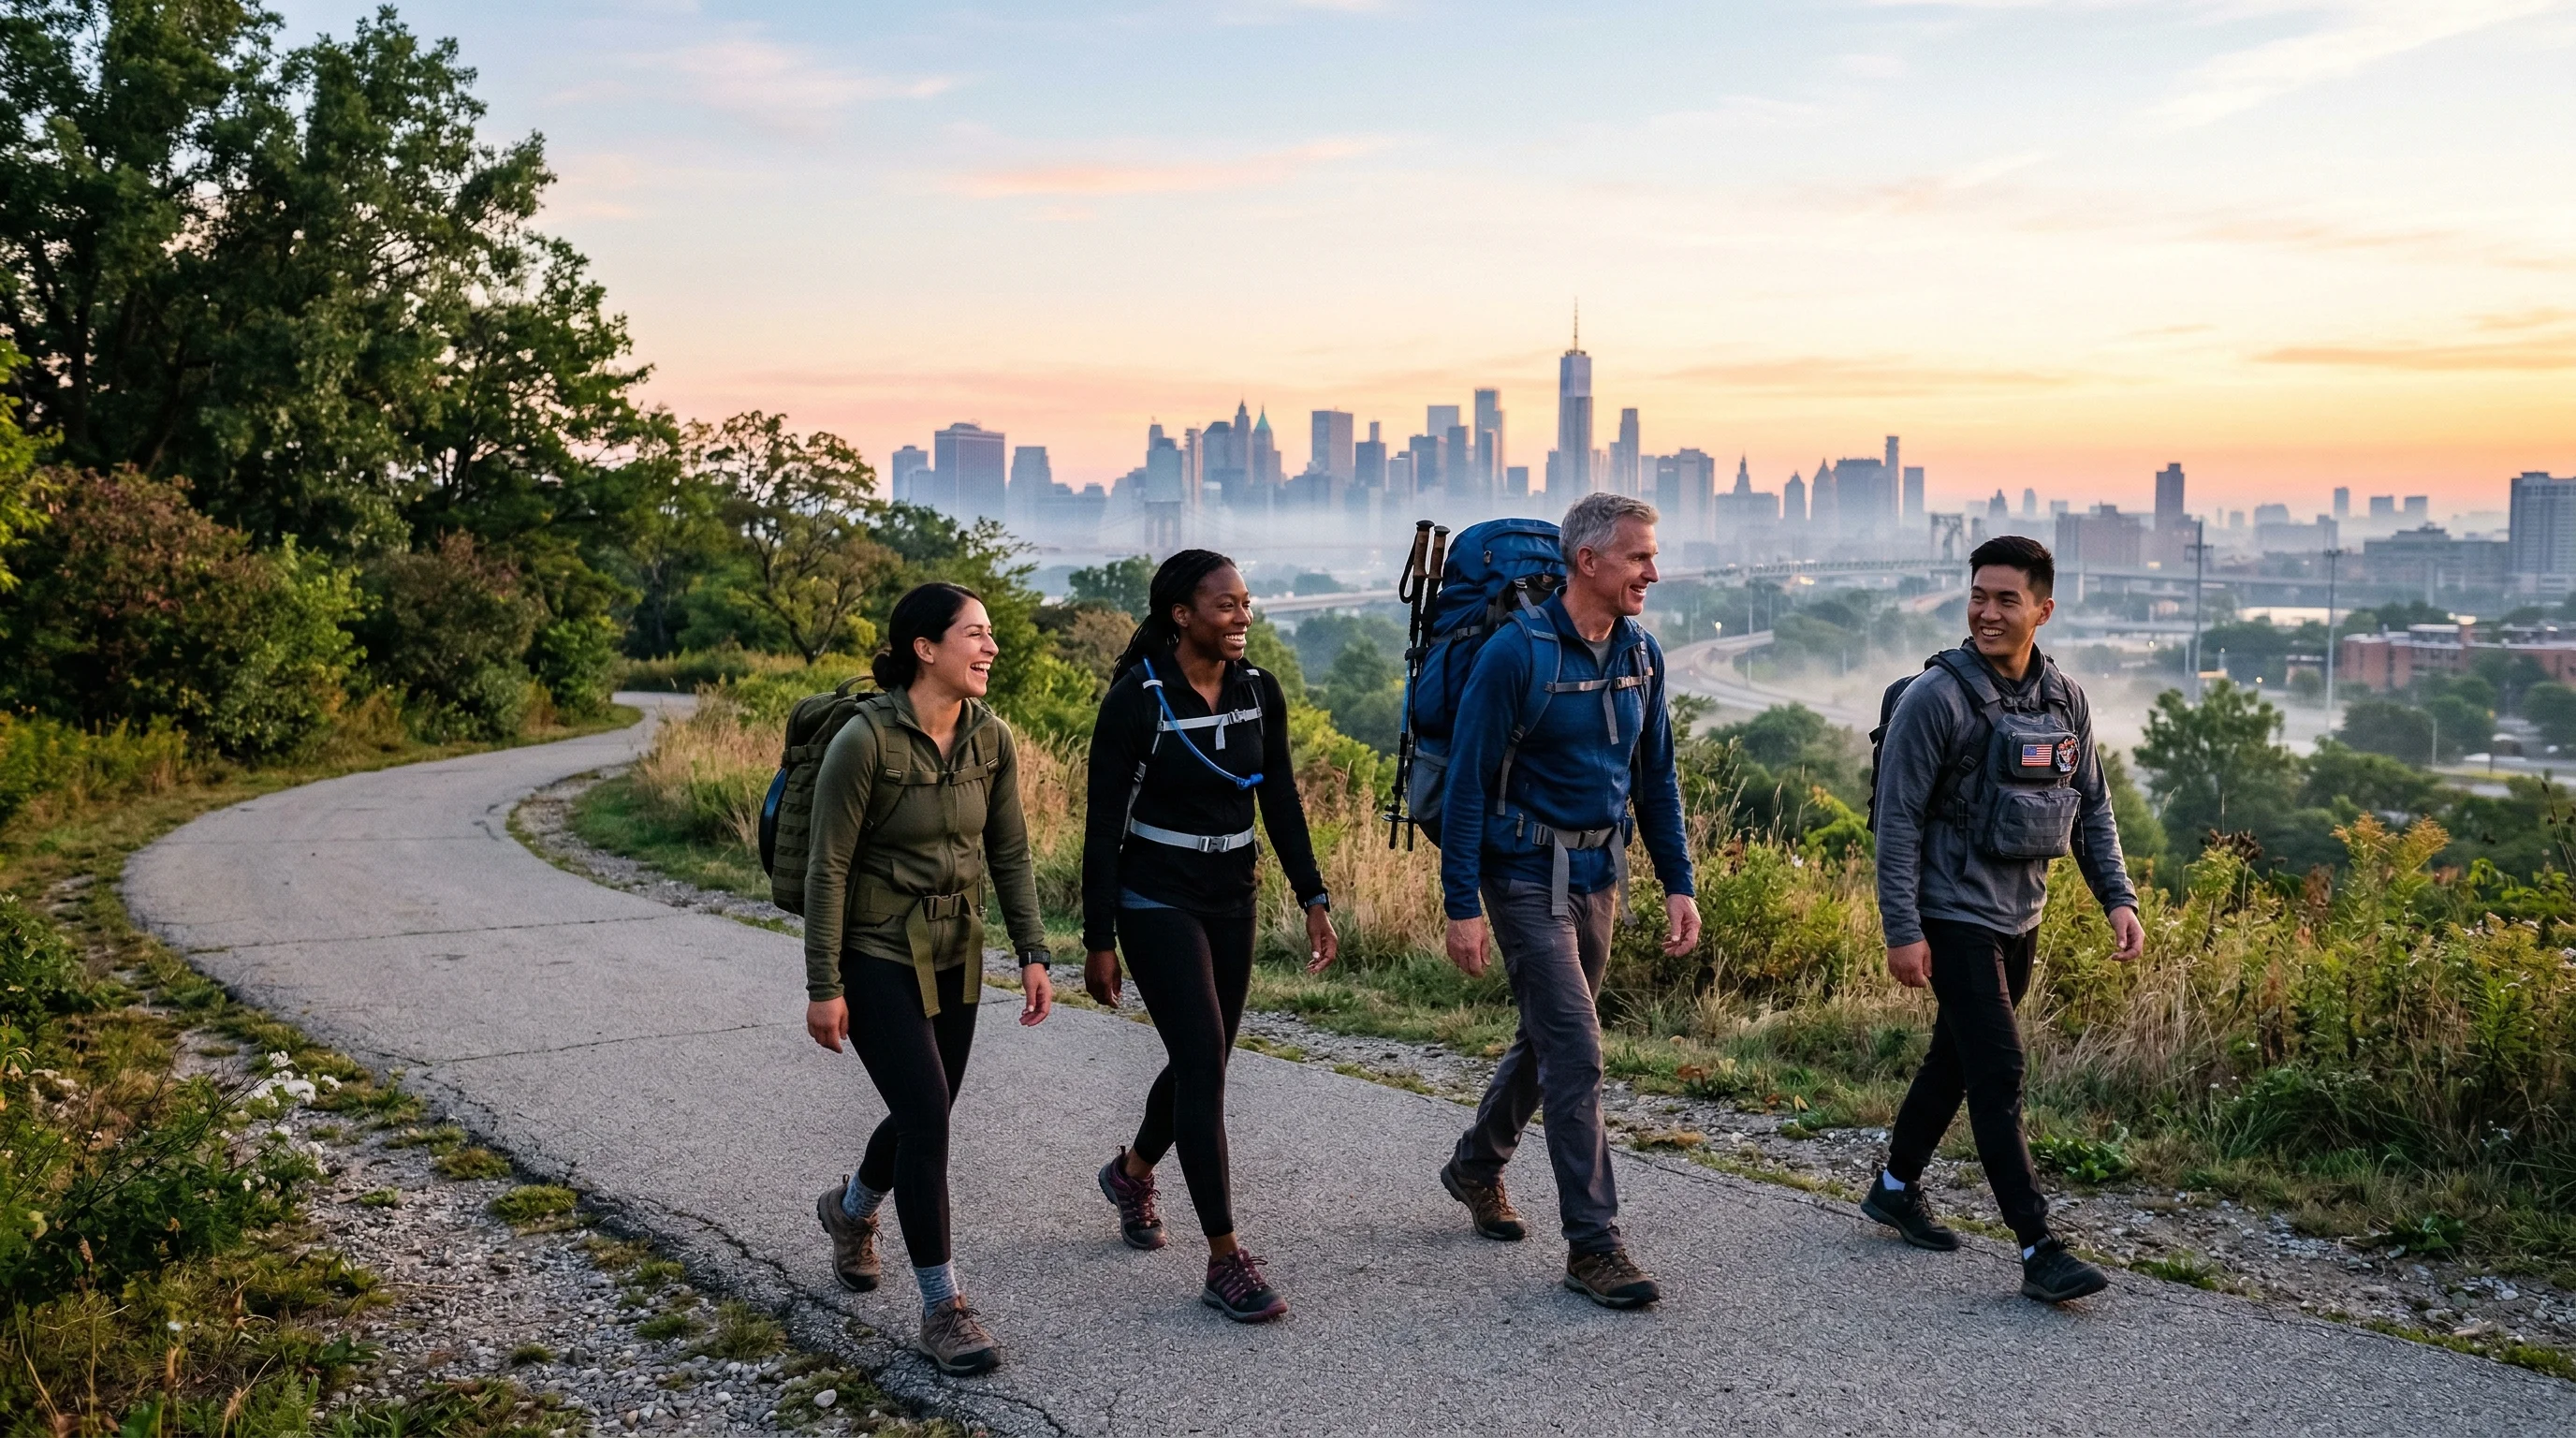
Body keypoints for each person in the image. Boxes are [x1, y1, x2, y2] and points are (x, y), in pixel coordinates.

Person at [1437, 492, 1700, 1311]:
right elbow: (1467, 787)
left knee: (1549, 1036)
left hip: (1599, 875)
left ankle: (1476, 1164)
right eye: (1637, 558)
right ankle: (1595, 1247)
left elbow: (1657, 778)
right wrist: (1462, 904)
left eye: (1652, 557)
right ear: (1588, 561)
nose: (1652, 572)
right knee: (1578, 1051)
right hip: (1519, 875)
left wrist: (1678, 881)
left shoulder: (1642, 654)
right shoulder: (1515, 655)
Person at [1865, 535, 2144, 1304]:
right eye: (1978, 596)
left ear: (2043, 610)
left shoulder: (2064, 700)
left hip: (2021, 913)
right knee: (1999, 1071)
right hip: (1950, 914)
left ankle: (1894, 1186)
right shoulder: (1936, 700)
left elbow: (2092, 806)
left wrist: (2117, 897)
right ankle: (2037, 1247)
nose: (1986, 612)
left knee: (1953, 1061)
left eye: (2006, 599)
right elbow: (1896, 823)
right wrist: (1902, 929)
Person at [804, 583, 1057, 1375]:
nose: (989, 649)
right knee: (928, 1116)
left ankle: (850, 1213)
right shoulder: (865, 742)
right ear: (925, 648)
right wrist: (823, 984)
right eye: (975, 636)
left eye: (989, 637)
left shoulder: (993, 739)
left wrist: (1034, 951)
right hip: (876, 950)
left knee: (929, 1111)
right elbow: (828, 867)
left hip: (956, 948)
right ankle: (943, 1307)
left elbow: (1009, 852)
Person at [1081, 550, 1338, 1324]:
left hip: (1235, 892)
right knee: (1202, 1065)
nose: (1242, 617)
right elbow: (1101, 830)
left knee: (1208, 1060)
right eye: (1225, 605)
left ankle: (1130, 1173)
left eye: (1246, 603)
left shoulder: (1260, 691)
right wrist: (1100, 938)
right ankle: (1225, 1259)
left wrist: (1313, 896)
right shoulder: (1138, 701)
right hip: (1155, 897)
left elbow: (1280, 799)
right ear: (1180, 614)